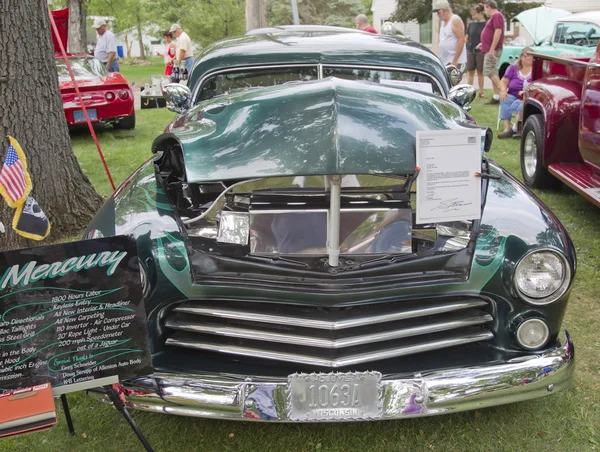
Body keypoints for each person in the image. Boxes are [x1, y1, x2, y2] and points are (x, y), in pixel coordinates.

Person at [497, 47, 533, 139]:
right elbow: (503, 82)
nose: (529, 58)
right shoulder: (513, 68)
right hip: (513, 94)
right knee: (505, 98)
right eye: (526, 56)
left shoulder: (536, 70)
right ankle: (507, 127)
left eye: (531, 56)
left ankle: (516, 128)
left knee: (522, 105)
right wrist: (503, 91)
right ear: (521, 57)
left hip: (528, 96)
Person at [476, 0, 505, 104]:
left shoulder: (497, 15)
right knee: (493, 72)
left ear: (489, 7)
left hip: (493, 50)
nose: (485, 11)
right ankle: (496, 96)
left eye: (485, 9)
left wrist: (492, 49)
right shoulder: (494, 17)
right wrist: (483, 43)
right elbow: (491, 33)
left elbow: (498, 32)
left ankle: (504, 91)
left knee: (489, 71)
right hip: (489, 48)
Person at [433, 0, 467, 71]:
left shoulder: (455, 20)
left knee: (453, 81)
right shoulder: (443, 22)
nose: (438, 14)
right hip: (446, 61)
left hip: (454, 60)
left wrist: (455, 60)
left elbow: (461, 40)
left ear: (444, 10)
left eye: (438, 12)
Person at [465, 4, 487, 98]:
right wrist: (466, 45)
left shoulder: (486, 25)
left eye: (475, 14)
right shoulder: (471, 24)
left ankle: (481, 92)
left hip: (480, 51)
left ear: (481, 13)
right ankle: (469, 91)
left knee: (480, 71)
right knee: (470, 71)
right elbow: (467, 36)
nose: (473, 16)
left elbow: (487, 38)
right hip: (470, 49)